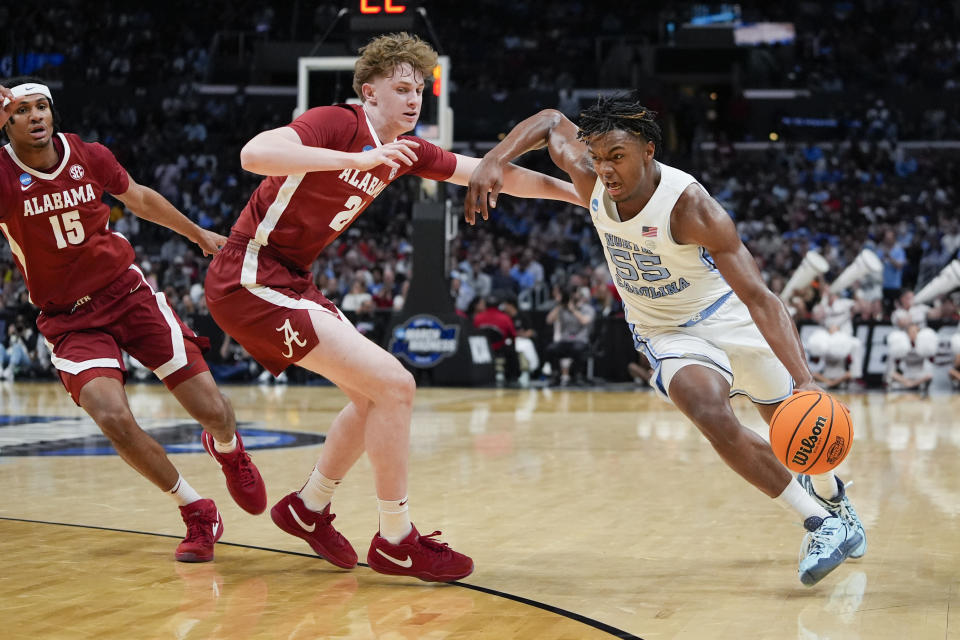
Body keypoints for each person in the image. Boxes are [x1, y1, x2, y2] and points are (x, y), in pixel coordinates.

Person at [204, 33, 581, 582]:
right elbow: (253, 153)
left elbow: (494, 173)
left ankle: (308, 507)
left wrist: (580, 195)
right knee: (396, 384)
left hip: (291, 281)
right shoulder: (337, 121)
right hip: (247, 276)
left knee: (372, 398)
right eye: (401, 88)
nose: (413, 100)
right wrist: (358, 156)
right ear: (369, 93)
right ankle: (396, 538)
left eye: (420, 91)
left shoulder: (407, 151)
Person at [464, 94, 866, 586]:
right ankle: (818, 522)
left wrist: (806, 381)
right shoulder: (590, 177)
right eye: (598, 157)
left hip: (726, 316)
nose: (606, 169)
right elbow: (549, 119)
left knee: (798, 426)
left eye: (618, 156)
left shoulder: (692, 208)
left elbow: (761, 298)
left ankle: (834, 497)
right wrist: (492, 160)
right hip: (664, 328)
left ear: (648, 151)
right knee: (708, 411)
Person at [0, 78, 266, 562]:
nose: (35, 115)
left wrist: (197, 234)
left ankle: (228, 449)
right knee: (113, 418)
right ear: (6, 122)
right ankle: (195, 510)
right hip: (69, 320)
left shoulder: (89, 154)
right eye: (21, 110)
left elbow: (140, 198)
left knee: (212, 411)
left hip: (127, 294)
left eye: (42, 106)